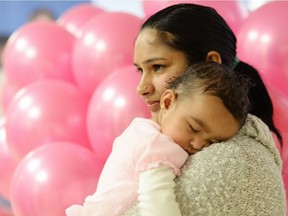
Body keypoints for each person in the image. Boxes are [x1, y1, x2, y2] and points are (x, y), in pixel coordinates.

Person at [122, 3, 286, 216]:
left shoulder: (232, 161)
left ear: (209, 64)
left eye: (158, 67)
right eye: (140, 70)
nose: (141, 88)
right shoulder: (174, 143)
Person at [66, 61, 252, 216]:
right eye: (193, 128)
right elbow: (156, 202)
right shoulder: (156, 145)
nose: (198, 144)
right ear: (168, 102)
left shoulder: (140, 129)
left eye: (211, 142)